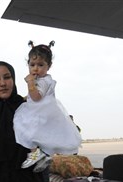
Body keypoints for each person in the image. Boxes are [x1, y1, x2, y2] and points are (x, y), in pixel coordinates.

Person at [14, 40, 82, 172]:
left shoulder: (44, 81)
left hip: (40, 112)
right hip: (41, 111)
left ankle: (36, 156)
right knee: (36, 136)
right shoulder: (42, 80)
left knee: (23, 127)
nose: (35, 68)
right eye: (32, 64)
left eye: (40, 65)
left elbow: (36, 96)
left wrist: (30, 83)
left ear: (48, 66)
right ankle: (40, 156)